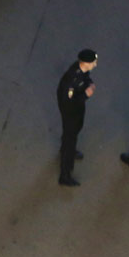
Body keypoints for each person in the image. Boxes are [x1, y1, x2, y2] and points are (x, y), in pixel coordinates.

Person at [56, 48, 97, 186]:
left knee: (78, 126)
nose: (95, 65)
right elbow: (68, 102)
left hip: (77, 109)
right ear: (85, 63)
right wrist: (86, 95)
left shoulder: (81, 71)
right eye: (93, 62)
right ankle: (65, 175)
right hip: (70, 111)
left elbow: (86, 78)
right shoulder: (72, 80)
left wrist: (89, 83)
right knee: (70, 138)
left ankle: (68, 149)